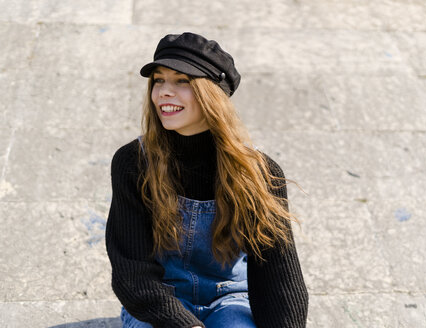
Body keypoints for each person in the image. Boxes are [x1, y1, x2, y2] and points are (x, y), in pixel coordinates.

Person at [105, 32, 309, 328]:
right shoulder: (134, 162)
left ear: (212, 94)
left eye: (181, 81)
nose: (164, 91)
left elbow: (278, 277)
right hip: (160, 303)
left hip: (231, 301)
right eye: (159, 80)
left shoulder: (260, 172)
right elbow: (132, 272)